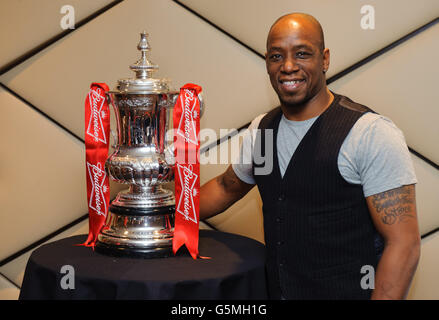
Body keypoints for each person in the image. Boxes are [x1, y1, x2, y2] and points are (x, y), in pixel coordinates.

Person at [199, 13, 420, 300]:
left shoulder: (369, 133)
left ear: (324, 59)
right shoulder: (262, 130)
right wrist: (158, 217)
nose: (288, 66)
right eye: (277, 56)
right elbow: (227, 187)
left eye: (302, 54)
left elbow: (404, 244)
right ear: (267, 62)